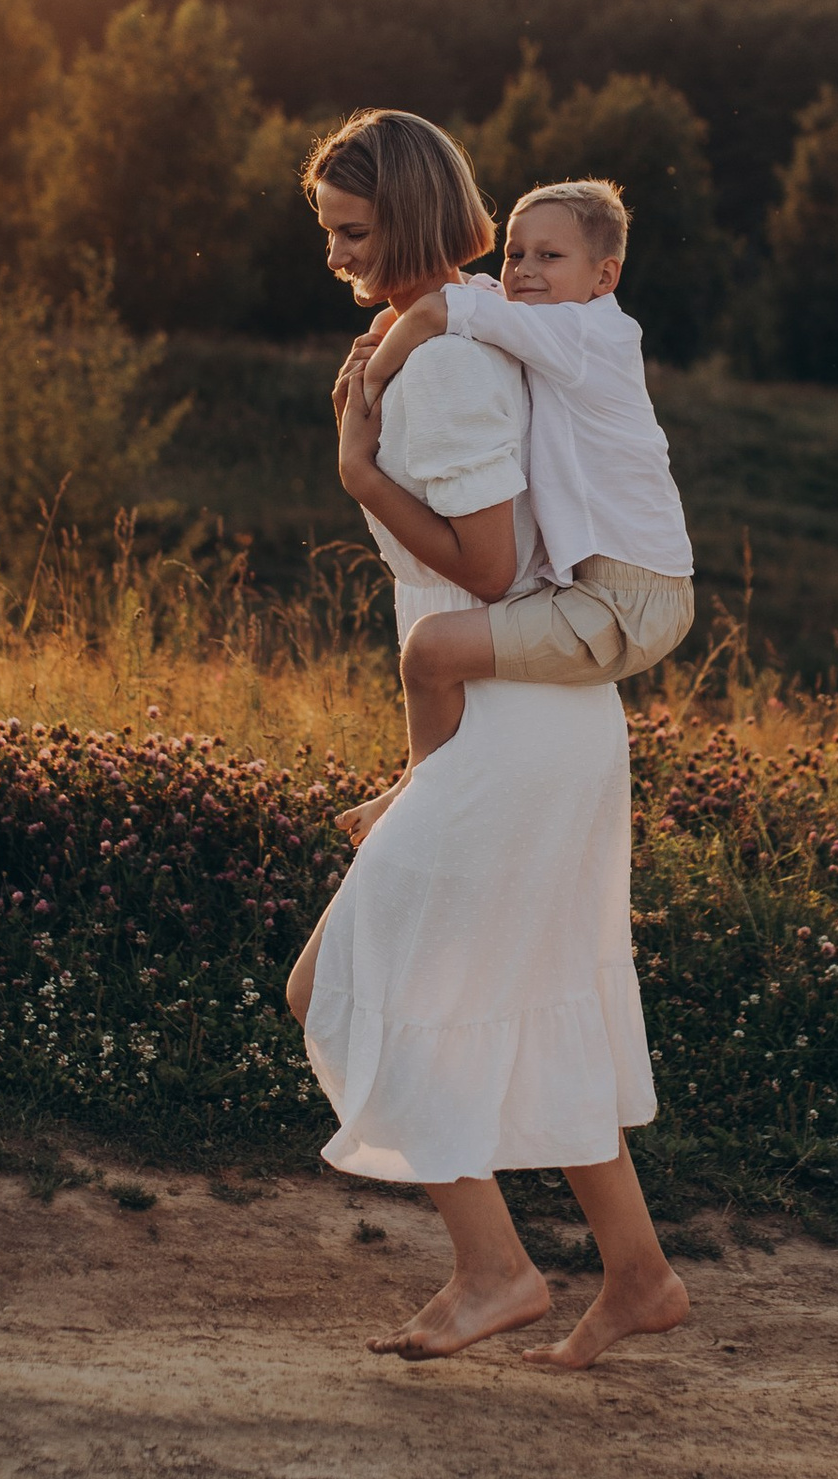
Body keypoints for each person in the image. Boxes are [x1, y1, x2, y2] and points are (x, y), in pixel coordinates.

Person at [284, 107, 688, 1370]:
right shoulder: (447, 335)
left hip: (518, 724)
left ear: (401, 216)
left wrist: (361, 473)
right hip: (537, 715)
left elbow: (493, 563)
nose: (338, 255)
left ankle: (493, 1269)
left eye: (352, 232)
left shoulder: (453, 358)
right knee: (523, 993)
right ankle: (637, 1274)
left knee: (343, 985)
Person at [347, 178, 694, 783]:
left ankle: (418, 789)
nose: (524, 270)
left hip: (629, 601)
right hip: (610, 588)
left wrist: (367, 387)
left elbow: (437, 308)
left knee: (430, 652)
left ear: (604, 277)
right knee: (435, 650)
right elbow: (469, 293)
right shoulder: (554, 322)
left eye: (549, 256)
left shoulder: (583, 333)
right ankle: (425, 783)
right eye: (514, 253)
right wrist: (383, 329)